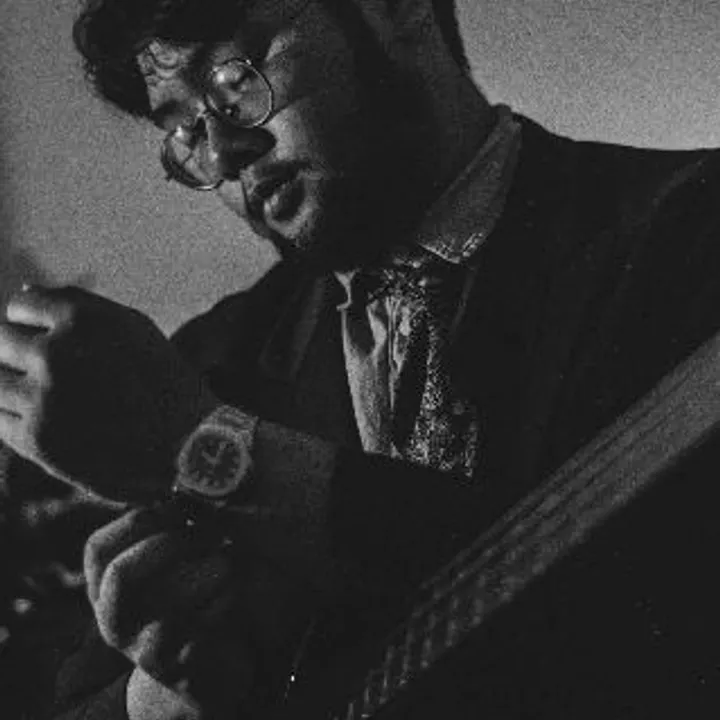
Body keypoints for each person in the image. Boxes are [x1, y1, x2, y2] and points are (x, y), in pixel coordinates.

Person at [1, 0, 720, 717]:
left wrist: (215, 449)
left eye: (233, 80)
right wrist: (160, 703)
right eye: (184, 130)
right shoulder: (205, 362)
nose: (219, 157)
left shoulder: (693, 229)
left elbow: (642, 604)